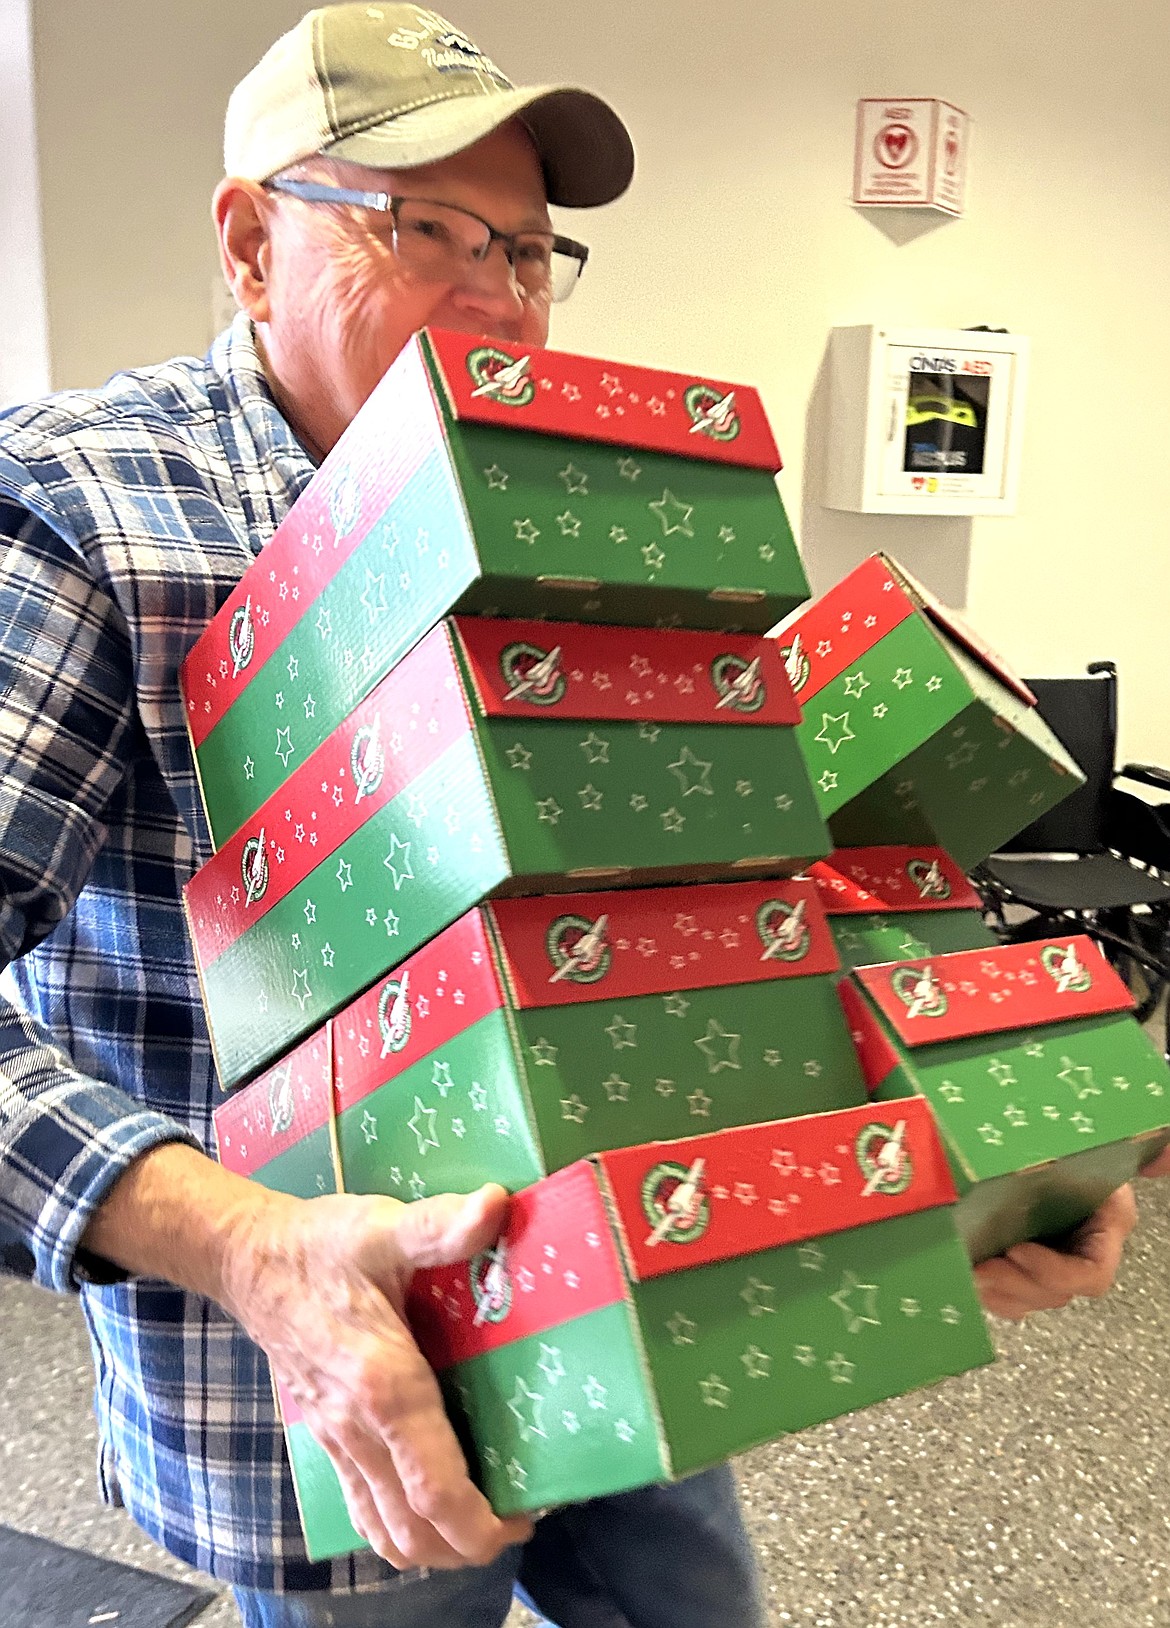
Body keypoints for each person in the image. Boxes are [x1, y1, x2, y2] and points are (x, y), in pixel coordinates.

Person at [0, 7, 1148, 1625]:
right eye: (424, 228)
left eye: (532, 250)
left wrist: (977, 1113)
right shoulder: (78, 512)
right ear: (251, 242)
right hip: (333, 1390)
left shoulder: (580, 503)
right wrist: (258, 1249)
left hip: (635, 1279)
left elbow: (721, 885)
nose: (497, 290)